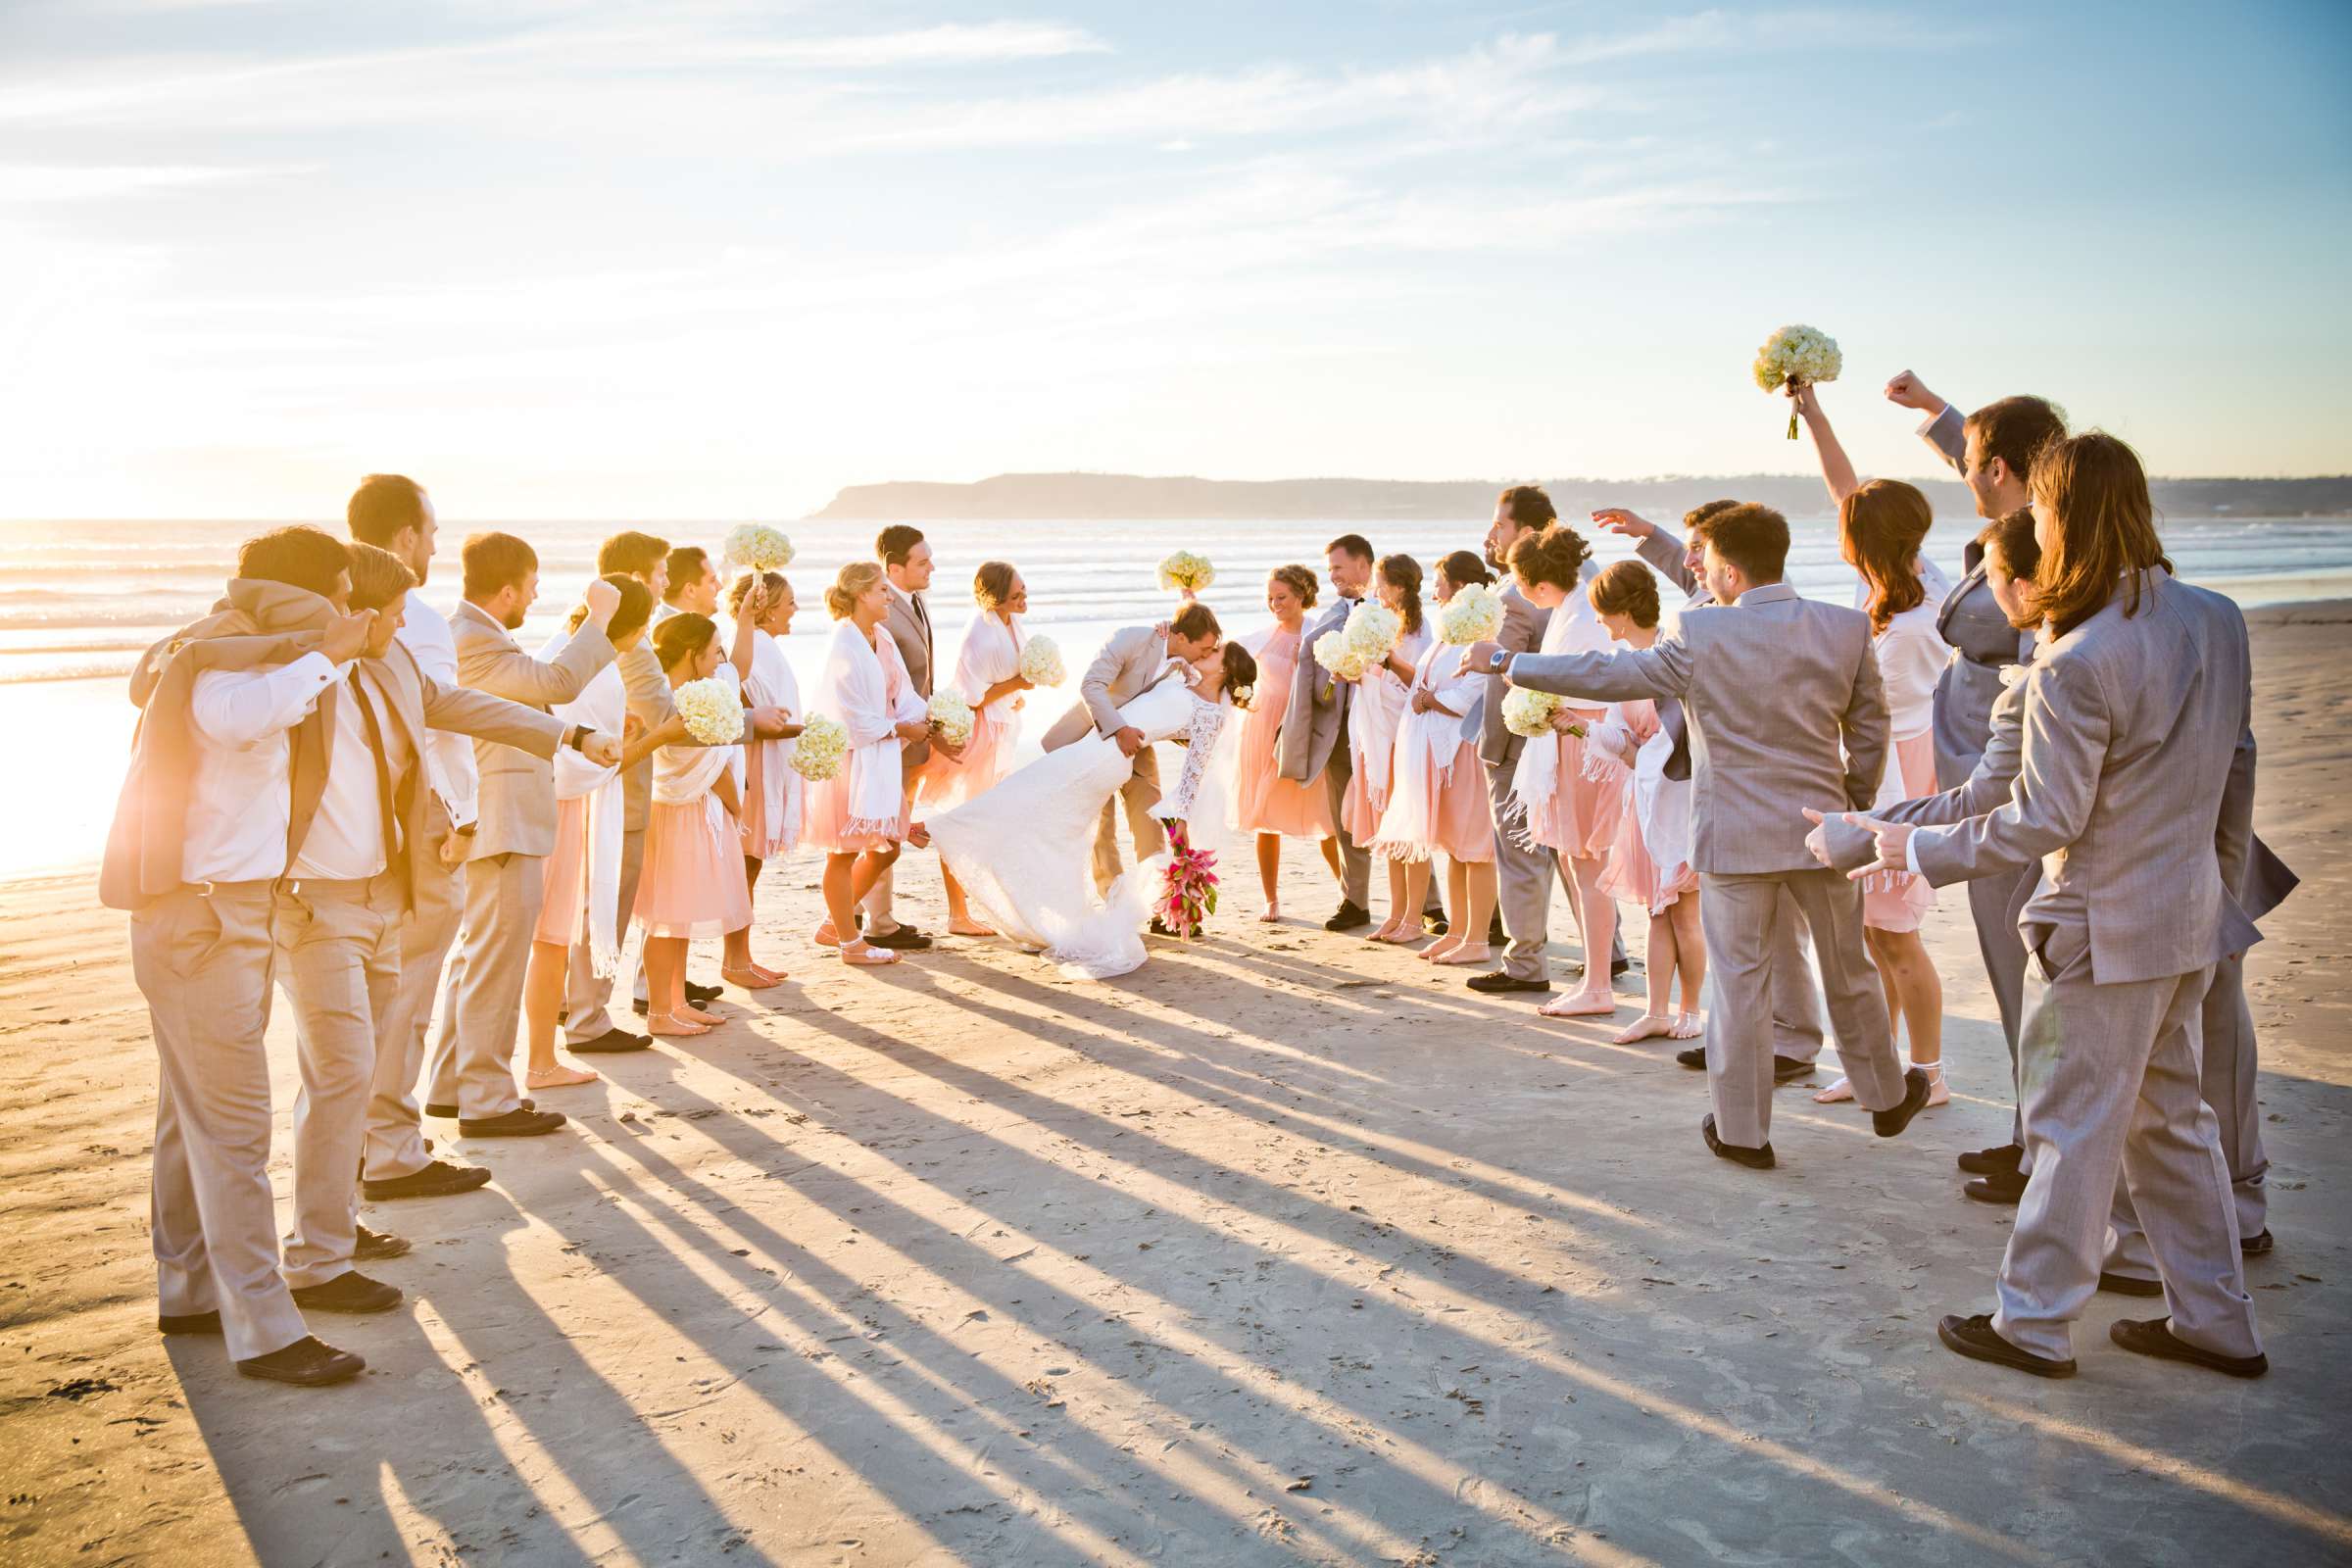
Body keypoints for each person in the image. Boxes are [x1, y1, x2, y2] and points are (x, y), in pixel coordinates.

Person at [1843, 433, 2268, 1380]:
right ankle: (2217, 1321)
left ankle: (2032, 1322)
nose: (2029, 520)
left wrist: (1913, 846)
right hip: (2187, 915)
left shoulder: (2078, 657)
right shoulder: (2219, 617)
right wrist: (2221, 886)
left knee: (2072, 1127)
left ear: (2060, 513)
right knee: (2174, 1123)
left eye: (2037, 505)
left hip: (2101, 925)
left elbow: (2041, 819)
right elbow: (2236, 768)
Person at [1468, 504, 1931, 1168]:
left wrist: (1508, 661)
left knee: (1741, 985)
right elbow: (1870, 726)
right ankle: (1886, 1097)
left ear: (1734, 572)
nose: (1701, 573)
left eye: (1707, 563)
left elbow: (1611, 675)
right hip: (1821, 830)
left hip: (1732, 836)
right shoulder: (1846, 627)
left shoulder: (1700, 630)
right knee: (1847, 967)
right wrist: (1851, 800)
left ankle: (1744, 1135)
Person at [106, 527, 375, 1385]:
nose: (345, 609)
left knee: (187, 1119)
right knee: (234, 1129)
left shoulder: (241, 645)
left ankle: (186, 1288)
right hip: (205, 920)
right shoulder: (229, 656)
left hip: (226, 915)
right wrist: (326, 656)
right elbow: (234, 719)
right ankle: (263, 1326)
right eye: (337, 592)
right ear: (301, 595)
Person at [1883, 375, 2070, 1196]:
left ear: (1997, 467)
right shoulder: (2026, 525)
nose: (1962, 472)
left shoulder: (2042, 547)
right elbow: (2001, 481)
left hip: (2006, 786)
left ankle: (2042, 1149)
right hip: (1987, 773)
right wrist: (1935, 414)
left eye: (1967, 460)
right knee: (2012, 975)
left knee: (2023, 972)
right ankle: (2032, 1134)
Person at [1593, 502, 1827, 1082]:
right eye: (1690, 548)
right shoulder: (1709, 600)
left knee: (1774, 931)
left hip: (1758, 790)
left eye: (1702, 549)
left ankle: (1791, 1044)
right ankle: (1740, 1037)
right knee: (1737, 932)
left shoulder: (1768, 604)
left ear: (1733, 560)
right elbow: (1690, 571)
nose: (1691, 560)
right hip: (1706, 787)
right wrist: (1648, 534)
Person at [1791, 385, 1957, 1108]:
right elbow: (1847, 490)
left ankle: (1929, 1074)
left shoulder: (1920, 615)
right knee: (1872, 937)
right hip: (1878, 763)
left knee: (1895, 937)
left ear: (1871, 545)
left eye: (1850, 532)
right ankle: (1877, 1065)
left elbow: (1869, 708)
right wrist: (1814, 413)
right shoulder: (1900, 579)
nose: (1840, 536)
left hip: (1900, 773)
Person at [426, 534, 622, 1137]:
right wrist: (601, 616)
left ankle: (451, 1085)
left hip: (496, 816)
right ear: (507, 588)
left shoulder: (474, 637)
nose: (536, 595)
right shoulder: (476, 642)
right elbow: (559, 682)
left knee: (478, 954)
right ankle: (487, 1099)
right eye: (532, 584)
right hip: (502, 817)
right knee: (496, 959)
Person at [344, 477, 505, 1205]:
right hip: (423, 827)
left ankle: (364, 1144)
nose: (438, 545)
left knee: (378, 998)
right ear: (405, 536)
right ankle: (390, 1150)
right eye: (433, 531)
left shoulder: (336, 606)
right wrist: (460, 822)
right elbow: (435, 726)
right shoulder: (421, 621)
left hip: (365, 832)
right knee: (406, 997)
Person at [930, 643, 1252, 979]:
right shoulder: (1184, 678)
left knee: (1029, 792)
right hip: (1096, 746)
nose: (1208, 649)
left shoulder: (1211, 715)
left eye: (1216, 651)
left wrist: (1180, 820)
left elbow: (1193, 773)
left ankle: (945, 828)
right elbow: (1160, 661)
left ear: (1226, 669)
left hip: (1106, 758)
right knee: (1041, 808)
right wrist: (1165, 639)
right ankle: (1033, 902)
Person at [525, 577, 680, 1085]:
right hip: (572, 807)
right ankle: (550, 1051)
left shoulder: (568, 645)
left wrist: (622, 726)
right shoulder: (594, 662)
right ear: (633, 625)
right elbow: (589, 759)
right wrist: (659, 735)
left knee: (552, 934)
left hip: (562, 798)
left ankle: (556, 1040)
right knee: (555, 931)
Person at [1577, 562, 1703, 1044]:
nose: (1600, 624)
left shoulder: (1671, 658)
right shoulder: (1624, 665)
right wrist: (1573, 722)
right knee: (1656, 909)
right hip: (1642, 799)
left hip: (1679, 797)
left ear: (1624, 613)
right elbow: (1620, 740)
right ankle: (1655, 1010)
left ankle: (1690, 1010)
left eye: (1603, 614)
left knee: (1684, 912)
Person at [1502, 524, 1621, 1018]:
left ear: (1539, 584)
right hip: (1568, 742)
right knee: (1578, 866)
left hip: (1581, 744)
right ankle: (1594, 979)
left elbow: (1589, 682)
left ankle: (1598, 985)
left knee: (1588, 866)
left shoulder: (1582, 615)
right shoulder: (1569, 609)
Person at [1044, 599, 1223, 897]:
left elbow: (1175, 710)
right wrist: (1119, 729)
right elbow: (1091, 686)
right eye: (1203, 649)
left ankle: (1158, 895)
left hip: (1138, 746)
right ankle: (1114, 895)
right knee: (1101, 822)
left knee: (1149, 816)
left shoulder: (1186, 668)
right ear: (1180, 638)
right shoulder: (1130, 638)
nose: (1206, 655)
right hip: (1092, 735)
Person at [1467, 489, 1572, 995]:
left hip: (1514, 741)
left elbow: (1501, 669)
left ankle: (1526, 962)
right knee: (1571, 849)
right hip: (1565, 736)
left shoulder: (1514, 598)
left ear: (1527, 533)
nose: (1494, 535)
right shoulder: (1571, 588)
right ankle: (1611, 951)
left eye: (1500, 526)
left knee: (1520, 854)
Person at [1370, 551, 1497, 965]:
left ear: (1459, 586)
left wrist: (1430, 700)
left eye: (1440, 580)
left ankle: (1478, 939)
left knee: (1475, 849)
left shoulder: (1481, 633)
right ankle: (1459, 932)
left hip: (1464, 752)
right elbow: (1422, 685)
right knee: (1456, 849)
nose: (1434, 588)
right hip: (1440, 753)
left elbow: (1471, 693)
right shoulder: (1447, 633)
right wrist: (1403, 676)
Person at [636, 613, 760, 1032]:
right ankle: (658, 1011)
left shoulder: (686, 692)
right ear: (692, 655)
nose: (718, 662)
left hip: (688, 810)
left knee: (680, 916)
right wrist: (737, 806)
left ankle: (675, 1001)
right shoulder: (678, 700)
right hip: (681, 814)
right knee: (667, 915)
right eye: (712, 653)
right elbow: (711, 765)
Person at [806, 563, 931, 966]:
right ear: (861, 594)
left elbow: (904, 692)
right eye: (882, 590)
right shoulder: (844, 645)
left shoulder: (880, 637)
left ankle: (833, 922)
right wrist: (902, 729)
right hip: (852, 761)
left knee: (889, 846)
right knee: (841, 854)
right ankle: (848, 942)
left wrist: (927, 721)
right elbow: (854, 718)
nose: (889, 596)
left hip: (881, 754)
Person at [912, 559, 1034, 936]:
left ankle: (924, 834)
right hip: (981, 734)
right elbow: (973, 698)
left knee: (979, 819)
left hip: (1004, 728)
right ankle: (957, 914)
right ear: (995, 596)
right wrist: (1018, 685)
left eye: (1024, 589)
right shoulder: (979, 633)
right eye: (1016, 594)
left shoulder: (1012, 622)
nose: (1023, 598)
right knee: (963, 820)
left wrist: (1016, 696)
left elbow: (1006, 681)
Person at [1277, 534, 1381, 931]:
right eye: (1330, 569)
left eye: (1338, 567)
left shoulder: (1390, 608)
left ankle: (1430, 904)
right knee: (1345, 817)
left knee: (1398, 812)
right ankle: (1355, 902)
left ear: (1363, 566)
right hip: (1340, 731)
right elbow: (1310, 673)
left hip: (1382, 727)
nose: (1333, 576)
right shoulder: (1328, 619)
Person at [1229, 564, 1342, 922]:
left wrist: (1303, 666)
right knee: (1264, 815)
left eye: (1282, 597)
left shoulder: (1317, 634)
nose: (1275, 604)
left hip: (1302, 730)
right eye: (1270, 598)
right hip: (1262, 728)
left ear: (1301, 596)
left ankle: (1349, 891)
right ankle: (1271, 899)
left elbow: (1331, 686)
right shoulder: (1261, 637)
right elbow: (1224, 663)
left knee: (1325, 815)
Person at [858, 524, 949, 951]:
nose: (931, 566)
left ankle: (867, 914)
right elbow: (882, 683)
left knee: (889, 829)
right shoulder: (882, 614)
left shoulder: (913, 602)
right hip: (893, 737)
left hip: (913, 736)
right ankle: (875, 921)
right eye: (922, 561)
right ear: (894, 567)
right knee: (884, 831)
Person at [725, 568, 804, 982]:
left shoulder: (764, 645)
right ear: (769, 608)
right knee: (745, 865)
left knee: (751, 865)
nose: (795, 609)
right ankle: (736, 960)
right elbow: (748, 708)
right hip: (752, 766)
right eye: (789, 602)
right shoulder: (752, 646)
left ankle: (741, 957)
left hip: (760, 760)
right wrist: (804, 731)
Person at [1355, 555, 1434, 944]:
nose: (1376, 591)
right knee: (1390, 827)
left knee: (1409, 829)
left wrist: (1385, 663)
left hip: (1406, 731)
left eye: (1381, 584)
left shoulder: (1420, 632)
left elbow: (1418, 682)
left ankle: (1414, 919)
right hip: (1381, 734)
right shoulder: (1381, 623)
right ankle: (1396, 911)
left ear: (1399, 587)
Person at [659, 543, 719, 620]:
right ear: (690, 590)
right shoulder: (670, 630)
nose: (720, 587)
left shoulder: (675, 623)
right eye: (712, 580)